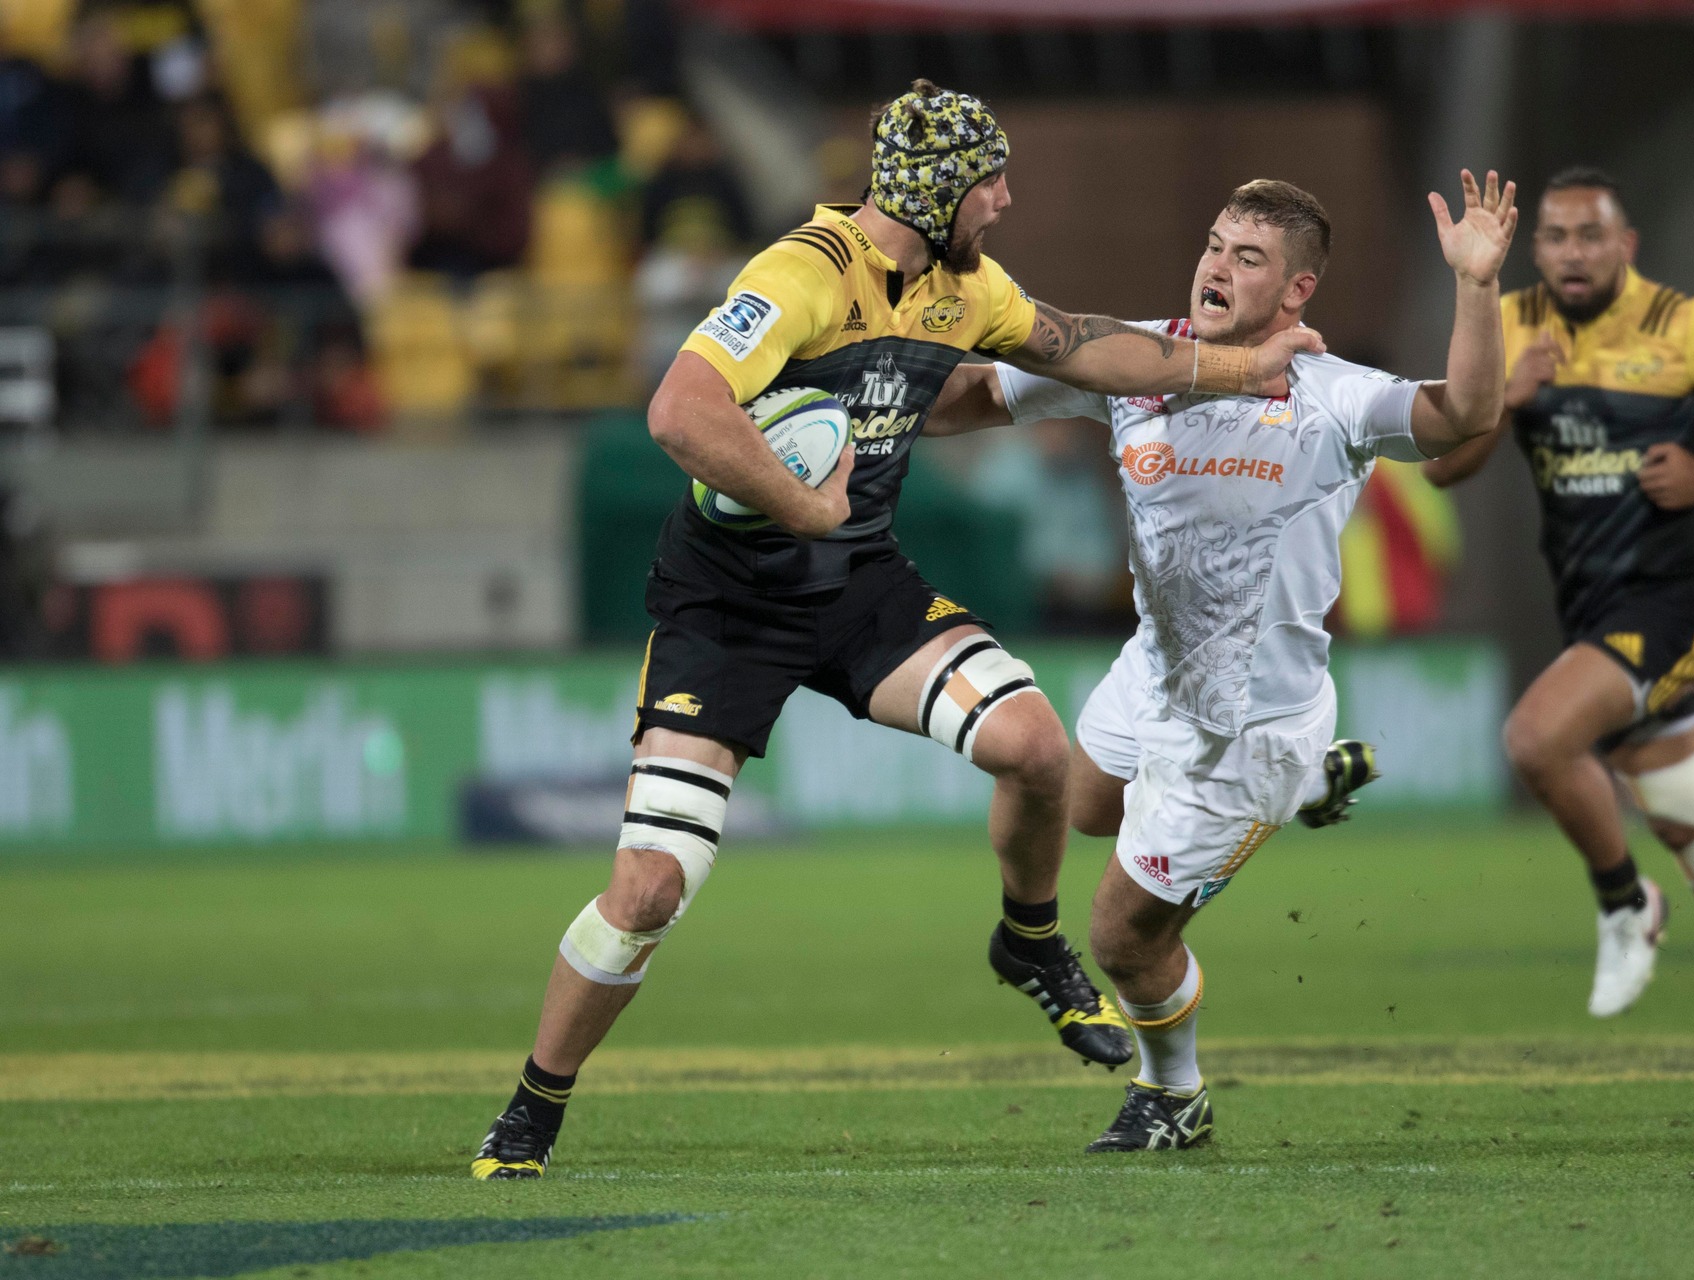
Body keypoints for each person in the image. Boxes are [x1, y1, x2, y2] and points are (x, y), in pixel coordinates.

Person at [468, 79, 1321, 1179]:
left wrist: (1245, 367)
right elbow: (679, 410)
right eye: (989, 183)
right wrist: (798, 498)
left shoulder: (964, 288)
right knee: (650, 886)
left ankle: (1027, 941)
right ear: (934, 194)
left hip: (859, 582)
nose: (1005, 201)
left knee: (1034, 746)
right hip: (727, 605)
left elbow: (1086, 348)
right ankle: (532, 1109)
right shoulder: (799, 276)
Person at [925, 170, 1518, 1150]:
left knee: (1121, 933)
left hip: (1247, 728)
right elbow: (976, 396)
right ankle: (1307, 791)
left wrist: (1477, 285)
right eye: (1213, 245)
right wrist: (885, 367)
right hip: (1150, 672)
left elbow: (1463, 417)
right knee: (1082, 805)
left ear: (1297, 293)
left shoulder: (1330, 395)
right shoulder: (1136, 358)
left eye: (1249, 258)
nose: (1217, 267)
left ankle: (1176, 1096)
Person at [1422, 167, 1694, 1057]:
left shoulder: (1693, 327)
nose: (1574, 254)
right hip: (1590, 607)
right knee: (1685, 816)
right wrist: (1504, 398)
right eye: (1556, 237)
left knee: (1537, 738)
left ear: (1627, 245)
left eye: (1591, 236)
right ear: (1534, 249)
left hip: (1676, 603)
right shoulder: (1512, 324)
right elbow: (1444, 468)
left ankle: (1625, 905)